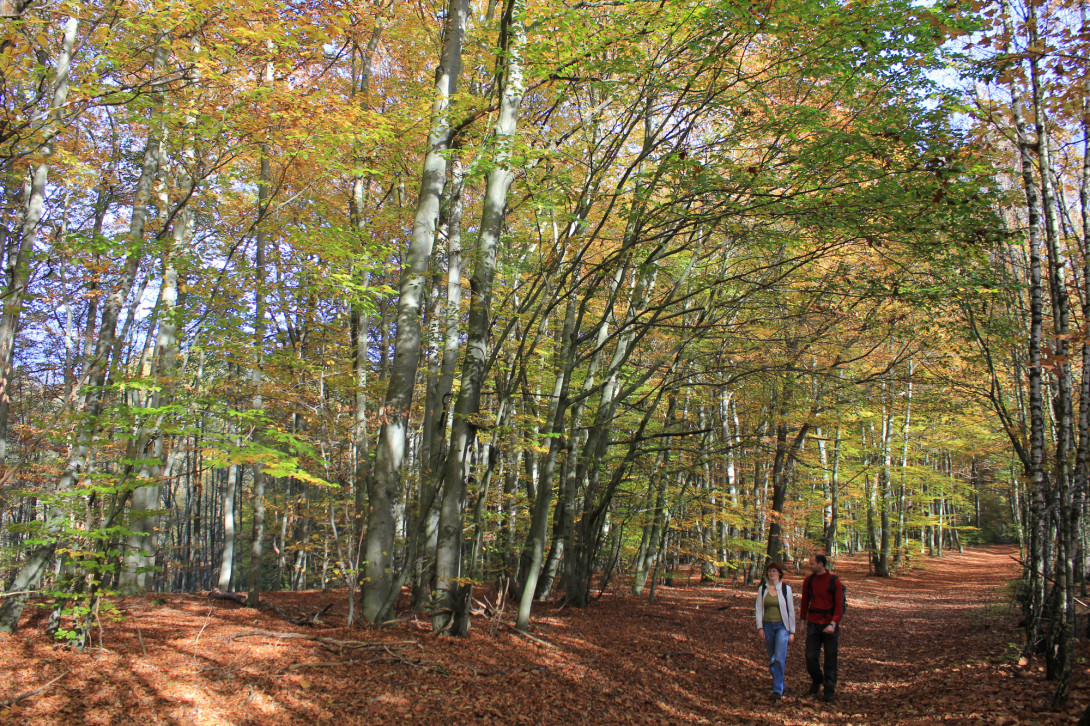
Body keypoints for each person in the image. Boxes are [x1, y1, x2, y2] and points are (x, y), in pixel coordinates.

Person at [800, 552, 844, 703]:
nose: (810, 566)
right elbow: (805, 600)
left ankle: (829, 688)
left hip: (829, 623)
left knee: (830, 658)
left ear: (820, 564)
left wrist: (834, 623)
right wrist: (802, 620)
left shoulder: (834, 581)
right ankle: (818, 679)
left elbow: (839, 604)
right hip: (813, 623)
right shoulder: (808, 580)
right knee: (810, 656)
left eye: (812, 563)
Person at [754, 561, 795, 702]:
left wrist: (792, 631)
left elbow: (791, 611)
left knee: (779, 657)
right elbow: (759, 609)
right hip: (768, 626)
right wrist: (759, 627)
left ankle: (777, 689)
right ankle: (780, 680)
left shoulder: (785, 589)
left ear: (779, 573)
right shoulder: (763, 590)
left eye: (774, 571)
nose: (772, 574)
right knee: (772, 658)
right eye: (770, 571)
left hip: (782, 627)